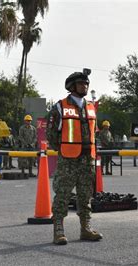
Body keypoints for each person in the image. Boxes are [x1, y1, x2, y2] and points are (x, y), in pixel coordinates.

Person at [46, 69, 103, 245]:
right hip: (68, 160)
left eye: (86, 84)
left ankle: (85, 228)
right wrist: (64, 150)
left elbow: (94, 132)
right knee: (62, 195)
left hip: (88, 160)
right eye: (81, 83)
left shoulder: (91, 107)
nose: (85, 86)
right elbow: (51, 134)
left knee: (85, 196)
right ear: (71, 86)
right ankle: (59, 231)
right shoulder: (60, 106)